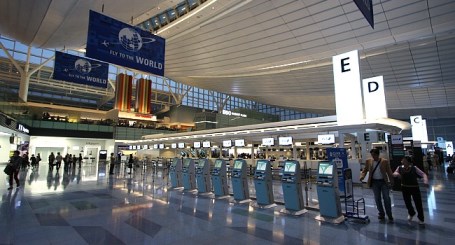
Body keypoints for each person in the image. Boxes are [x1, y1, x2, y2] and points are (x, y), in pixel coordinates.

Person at [360, 148, 395, 223]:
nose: (373, 157)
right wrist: (362, 176)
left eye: (374, 155)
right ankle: (381, 213)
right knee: (377, 198)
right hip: (375, 183)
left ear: (378, 154)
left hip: (383, 182)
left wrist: (391, 181)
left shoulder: (384, 161)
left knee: (386, 198)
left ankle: (389, 214)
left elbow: (389, 172)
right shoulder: (369, 161)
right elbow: (365, 170)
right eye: (372, 155)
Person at [393, 156, 428, 225]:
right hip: (405, 187)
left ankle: (421, 218)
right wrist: (397, 174)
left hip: (414, 187)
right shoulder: (400, 168)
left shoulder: (414, 168)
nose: (402, 162)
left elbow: (423, 174)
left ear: (408, 162)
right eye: (402, 160)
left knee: (418, 203)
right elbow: (394, 173)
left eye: (404, 160)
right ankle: (411, 212)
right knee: (407, 202)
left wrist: (425, 181)